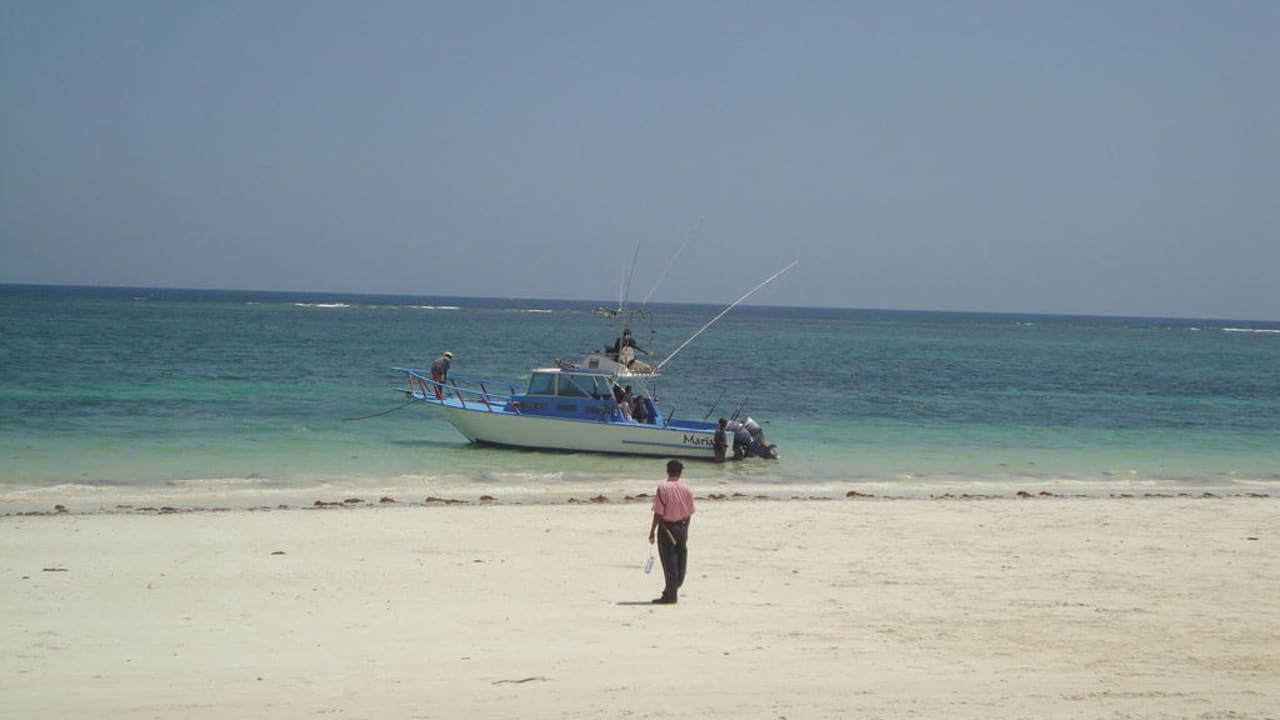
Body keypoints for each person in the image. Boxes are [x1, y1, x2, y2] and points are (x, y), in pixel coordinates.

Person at [648, 459, 695, 605]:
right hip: (681, 527)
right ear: (680, 473)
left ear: (668, 471)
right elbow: (689, 514)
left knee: (669, 561)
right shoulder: (687, 490)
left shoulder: (663, 488)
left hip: (667, 528)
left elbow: (658, 513)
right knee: (681, 558)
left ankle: (670, 593)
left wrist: (652, 531)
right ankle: (674, 587)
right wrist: (685, 531)